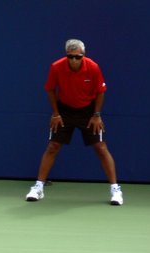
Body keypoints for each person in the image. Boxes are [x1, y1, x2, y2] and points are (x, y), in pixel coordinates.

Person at [25, 39, 123, 205]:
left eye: (78, 57)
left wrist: (96, 115)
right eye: (70, 57)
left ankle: (115, 190)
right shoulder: (56, 67)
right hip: (64, 110)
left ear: (83, 55)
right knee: (53, 146)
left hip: (88, 111)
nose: (74, 60)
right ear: (66, 55)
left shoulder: (93, 67)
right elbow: (50, 89)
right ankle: (38, 187)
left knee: (100, 147)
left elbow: (100, 91)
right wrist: (56, 113)